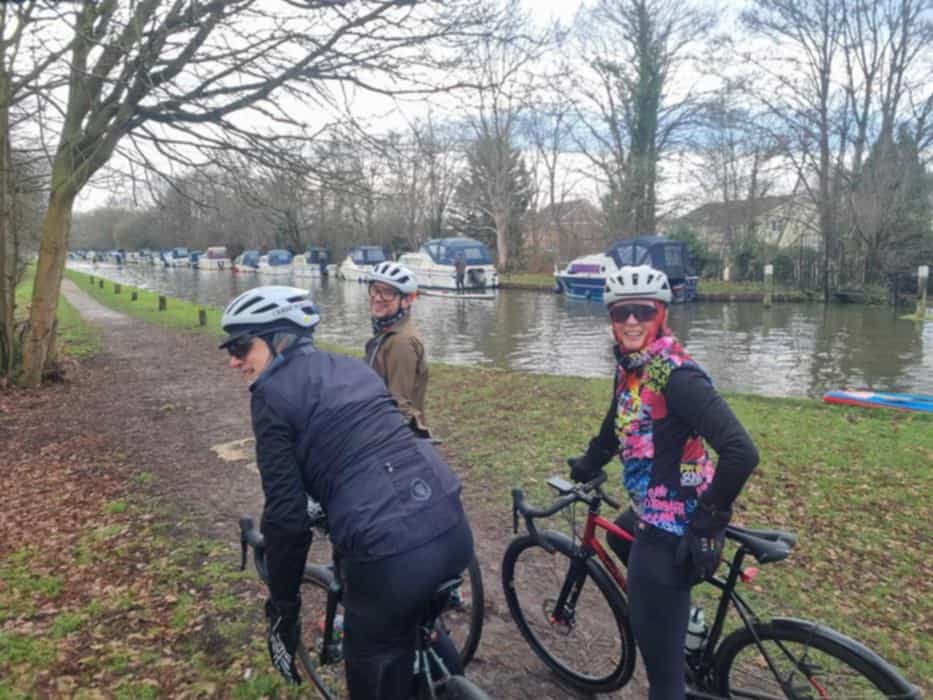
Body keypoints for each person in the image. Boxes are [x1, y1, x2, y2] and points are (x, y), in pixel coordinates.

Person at [219, 285, 473, 699]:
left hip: (389, 555)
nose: (233, 360)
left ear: (280, 339)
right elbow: (372, 445)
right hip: (448, 519)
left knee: (374, 658)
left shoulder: (270, 396)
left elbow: (286, 518)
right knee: (421, 624)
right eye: (228, 348)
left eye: (242, 346)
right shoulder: (351, 368)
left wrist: (282, 610)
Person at [567, 265, 758, 700]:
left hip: (675, 524)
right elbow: (619, 418)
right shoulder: (639, 367)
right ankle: (679, 621)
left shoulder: (675, 375)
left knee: (664, 683)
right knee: (621, 538)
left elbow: (741, 452)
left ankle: (670, 634)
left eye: (641, 311)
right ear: (612, 319)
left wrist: (707, 522)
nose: (631, 321)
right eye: (621, 313)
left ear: (660, 314)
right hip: (657, 505)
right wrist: (590, 461)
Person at [364, 262, 431, 438]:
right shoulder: (388, 332)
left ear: (407, 300)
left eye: (387, 293)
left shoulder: (401, 342)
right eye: (375, 290)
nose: (377, 298)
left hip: (390, 438)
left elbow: (400, 405)